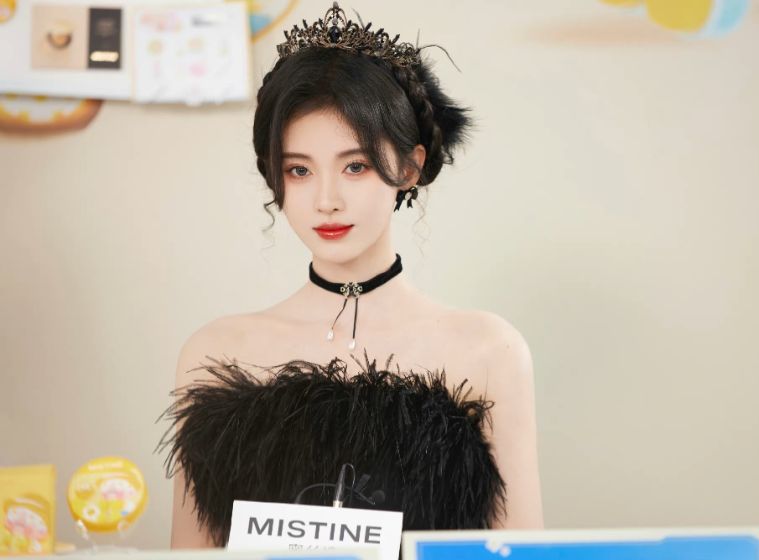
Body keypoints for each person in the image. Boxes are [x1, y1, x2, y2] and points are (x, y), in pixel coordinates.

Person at [162, 2, 544, 549]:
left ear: (409, 166)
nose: (326, 200)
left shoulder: (488, 351)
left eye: (355, 166)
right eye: (299, 170)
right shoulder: (216, 353)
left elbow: (519, 554)